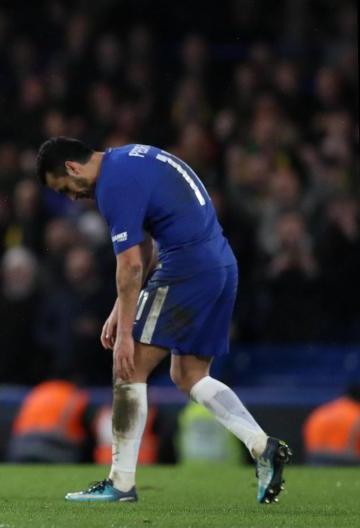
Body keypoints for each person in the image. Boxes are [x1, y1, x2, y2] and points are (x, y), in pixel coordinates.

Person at [36, 137, 291, 504]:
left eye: (67, 188)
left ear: (73, 167)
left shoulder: (112, 184)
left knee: (128, 367)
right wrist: (118, 309)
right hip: (220, 264)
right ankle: (260, 444)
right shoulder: (132, 158)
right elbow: (144, 246)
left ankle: (120, 483)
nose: (74, 198)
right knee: (188, 376)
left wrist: (125, 333)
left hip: (184, 267)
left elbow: (131, 263)